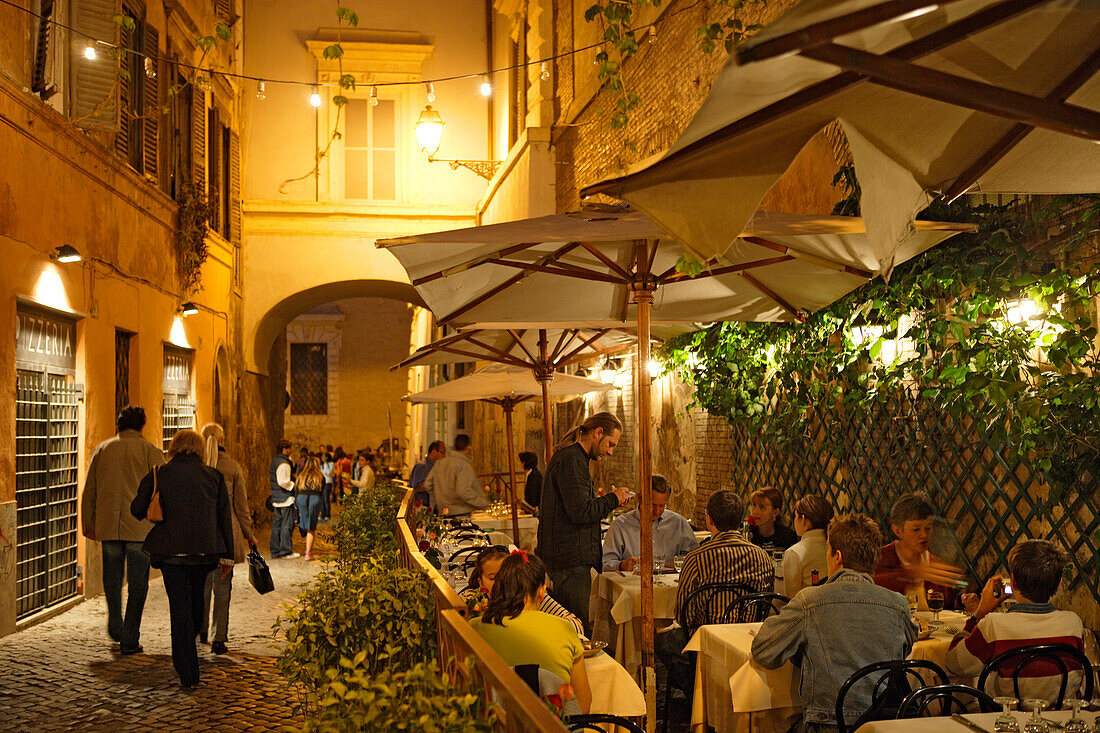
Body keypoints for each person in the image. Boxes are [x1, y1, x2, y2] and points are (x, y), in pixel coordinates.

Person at [752, 513, 918, 731]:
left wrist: (800, 653)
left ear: (837, 556)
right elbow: (903, 651)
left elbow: (763, 650)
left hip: (827, 724)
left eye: (827, 549)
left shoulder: (809, 601)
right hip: (884, 723)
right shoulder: (898, 605)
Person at [130, 430, 234, 688]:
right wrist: (227, 558)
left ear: (173, 448)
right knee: (196, 603)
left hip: (172, 554)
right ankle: (189, 651)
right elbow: (224, 519)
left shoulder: (160, 474)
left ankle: (186, 667)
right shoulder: (214, 477)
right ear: (199, 449)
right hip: (204, 553)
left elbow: (136, 509)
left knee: (179, 608)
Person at [658, 489, 775, 690]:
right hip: (747, 640)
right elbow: (766, 603)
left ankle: (697, 694)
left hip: (707, 641)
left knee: (661, 642)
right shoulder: (762, 557)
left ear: (709, 520)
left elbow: (684, 615)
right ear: (740, 519)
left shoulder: (696, 558)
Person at [945, 540, 1085, 703]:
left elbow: (954, 664)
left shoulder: (994, 626)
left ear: (1013, 581)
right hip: (1061, 719)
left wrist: (978, 614)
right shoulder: (1073, 623)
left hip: (1007, 720)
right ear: (1059, 583)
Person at [80, 405, 165, 654]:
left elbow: (90, 490)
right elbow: (162, 489)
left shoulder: (102, 449)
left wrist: (89, 524)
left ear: (119, 425)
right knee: (139, 584)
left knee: (112, 579)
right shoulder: (151, 451)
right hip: (139, 529)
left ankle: (115, 624)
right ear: (141, 426)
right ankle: (129, 637)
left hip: (108, 526)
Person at [535, 413, 632, 626]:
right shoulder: (572, 460)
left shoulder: (575, 458)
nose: (610, 451)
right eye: (610, 444)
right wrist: (613, 499)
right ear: (598, 433)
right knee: (575, 626)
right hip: (569, 561)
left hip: (567, 558)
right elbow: (580, 511)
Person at [470, 552, 592, 715]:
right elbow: (583, 704)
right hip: (556, 727)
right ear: (541, 592)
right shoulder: (564, 629)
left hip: (493, 725)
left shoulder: (473, 629)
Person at [197, 423, 258, 654]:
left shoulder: (199, 466)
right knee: (223, 587)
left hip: (202, 534)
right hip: (226, 535)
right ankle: (219, 637)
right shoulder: (232, 467)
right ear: (223, 439)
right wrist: (249, 535)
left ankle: (201, 630)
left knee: (202, 584)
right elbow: (241, 506)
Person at [460, 546, 584, 637]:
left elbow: (576, 625)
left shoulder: (531, 596)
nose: (500, 582)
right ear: (481, 582)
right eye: (493, 578)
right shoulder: (471, 600)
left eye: (506, 576)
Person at [873, 492, 962, 611]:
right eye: (916, 529)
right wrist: (909, 574)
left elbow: (946, 608)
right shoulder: (879, 559)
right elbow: (868, 589)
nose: (924, 535)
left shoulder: (935, 565)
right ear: (898, 531)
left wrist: (962, 602)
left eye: (928, 528)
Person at [601, 474, 698, 572]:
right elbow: (605, 563)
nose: (657, 511)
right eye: (653, 505)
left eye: (662, 506)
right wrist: (621, 565)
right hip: (633, 585)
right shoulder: (620, 525)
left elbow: (695, 559)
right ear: (640, 498)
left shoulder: (678, 523)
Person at [424, 434, 489, 517]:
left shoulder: (439, 463)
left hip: (444, 511)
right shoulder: (463, 465)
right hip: (462, 513)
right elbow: (464, 491)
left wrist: (440, 495)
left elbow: (428, 484)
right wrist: (483, 503)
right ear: (468, 448)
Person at [782, 495, 834, 597]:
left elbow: (791, 598)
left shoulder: (794, 553)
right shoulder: (836, 547)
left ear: (804, 520)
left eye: (796, 516)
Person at [269, 439, 298, 559]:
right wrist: (293, 485)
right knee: (286, 524)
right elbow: (282, 481)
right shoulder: (284, 463)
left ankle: (275, 550)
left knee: (277, 525)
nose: (291, 451)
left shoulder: (275, 461)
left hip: (277, 498)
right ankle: (285, 550)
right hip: (285, 498)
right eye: (289, 448)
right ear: (284, 449)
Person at [747, 487, 799, 552]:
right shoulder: (747, 534)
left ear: (775, 512)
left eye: (762, 507)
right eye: (754, 505)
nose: (755, 511)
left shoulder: (787, 536)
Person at [296, 456, 325, 560]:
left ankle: (302, 525)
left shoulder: (301, 476)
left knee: (304, 520)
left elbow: (297, 490)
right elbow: (322, 491)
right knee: (311, 528)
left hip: (302, 498)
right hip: (314, 498)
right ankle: (308, 553)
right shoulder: (320, 477)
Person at [409, 440, 445, 507]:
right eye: (442, 452)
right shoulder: (423, 466)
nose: (444, 455)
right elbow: (416, 487)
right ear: (434, 452)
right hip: (423, 506)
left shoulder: (436, 467)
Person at [319, 451, 334, 522]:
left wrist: (326, 464)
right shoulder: (321, 465)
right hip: (322, 483)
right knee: (322, 499)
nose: (322, 458)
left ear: (327, 457)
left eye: (323, 456)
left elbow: (328, 472)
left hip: (328, 482)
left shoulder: (331, 464)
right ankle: (322, 514)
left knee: (326, 499)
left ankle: (327, 514)